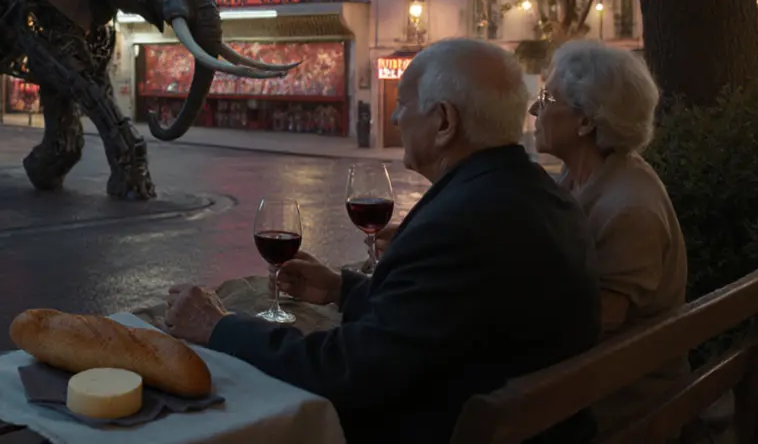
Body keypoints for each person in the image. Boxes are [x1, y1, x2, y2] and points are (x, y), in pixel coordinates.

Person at [163, 38, 601, 444]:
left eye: (403, 104)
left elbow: (347, 372)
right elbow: (444, 313)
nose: (393, 117)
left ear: (444, 121)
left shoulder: (462, 223)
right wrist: (342, 289)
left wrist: (218, 327)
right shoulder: (537, 195)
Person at [529, 39, 690, 436]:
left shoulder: (628, 207)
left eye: (547, 98)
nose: (535, 109)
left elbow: (592, 327)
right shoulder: (592, 175)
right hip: (602, 386)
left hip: (620, 406)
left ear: (586, 122)